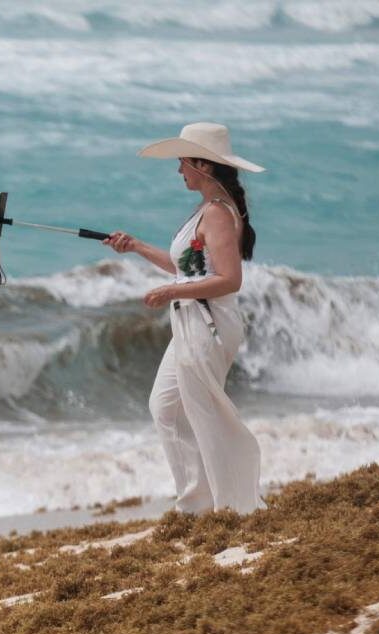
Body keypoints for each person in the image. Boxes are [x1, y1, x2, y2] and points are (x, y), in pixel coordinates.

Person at [102, 122, 263, 514]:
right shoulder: (207, 210)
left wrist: (171, 292)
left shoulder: (219, 214)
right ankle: (197, 504)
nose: (179, 171)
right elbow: (187, 268)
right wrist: (137, 247)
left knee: (204, 415)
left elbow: (229, 280)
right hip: (191, 324)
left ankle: (226, 508)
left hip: (208, 326)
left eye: (182, 162)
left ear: (202, 166)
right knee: (166, 408)